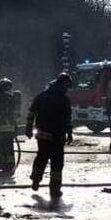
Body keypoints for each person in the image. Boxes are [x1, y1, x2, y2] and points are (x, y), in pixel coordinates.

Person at [25, 72, 73, 200]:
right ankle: (55, 190)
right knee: (57, 163)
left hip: (43, 135)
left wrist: (28, 128)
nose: (67, 89)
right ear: (63, 84)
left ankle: (36, 180)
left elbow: (31, 113)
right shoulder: (64, 99)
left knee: (41, 158)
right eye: (67, 86)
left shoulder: (42, 96)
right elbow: (67, 118)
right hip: (58, 136)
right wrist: (69, 132)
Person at [0, 78, 17, 175]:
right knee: (9, 147)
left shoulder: (1, 98)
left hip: (1, 127)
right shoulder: (10, 97)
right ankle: (9, 165)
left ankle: (3, 166)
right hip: (10, 127)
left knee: (2, 147)